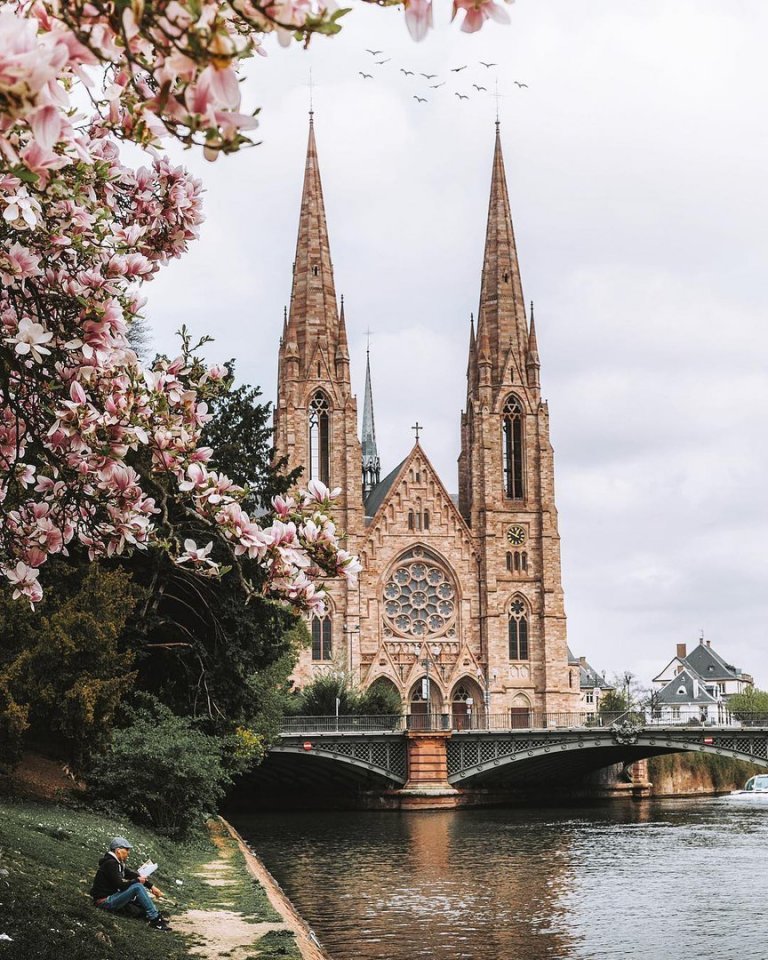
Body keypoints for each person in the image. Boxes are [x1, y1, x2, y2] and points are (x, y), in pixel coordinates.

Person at [90, 836, 172, 931]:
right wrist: (137, 881)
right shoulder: (111, 864)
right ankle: (155, 920)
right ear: (118, 850)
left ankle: (153, 915)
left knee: (137, 891)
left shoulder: (116, 863)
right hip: (104, 902)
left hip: (111, 897)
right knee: (137, 887)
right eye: (127, 850)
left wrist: (151, 886)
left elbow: (130, 875)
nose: (128, 853)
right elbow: (120, 885)